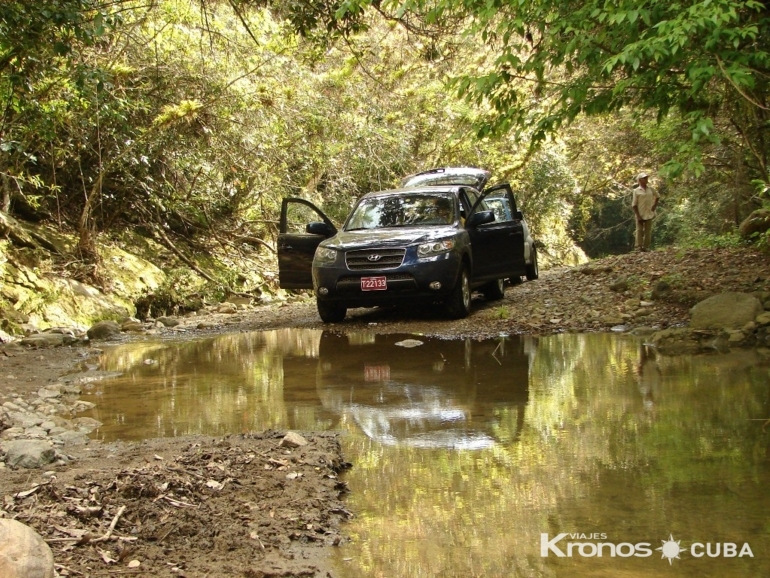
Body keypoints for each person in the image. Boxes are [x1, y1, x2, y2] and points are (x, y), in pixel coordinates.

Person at [631, 172, 659, 251]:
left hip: (649, 213)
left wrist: (654, 205)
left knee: (648, 231)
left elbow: (657, 196)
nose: (646, 179)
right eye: (644, 178)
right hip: (640, 213)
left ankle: (646, 247)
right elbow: (634, 204)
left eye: (646, 178)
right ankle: (638, 247)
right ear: (640, 180)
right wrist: (638, 215)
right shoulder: (636, 191)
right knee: (639, 230)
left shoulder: (651, 189)